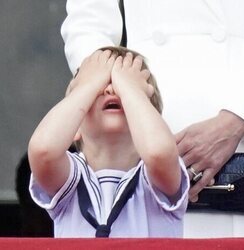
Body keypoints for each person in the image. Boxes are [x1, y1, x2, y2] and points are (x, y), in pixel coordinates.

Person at [60, 0, 244, 203]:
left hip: (243, 144)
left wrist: (238, 117)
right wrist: (123, 95)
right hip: (141, 146)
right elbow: (88, 27)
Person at [28, 46, 189, 237]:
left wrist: (129, 89)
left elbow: (158, 152)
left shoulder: (155, 177)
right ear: (75, 125)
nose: (111, 89)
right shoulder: (69, 178)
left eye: (121, 86)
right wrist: (88, 85)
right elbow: (43, 150)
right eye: (99, 87)